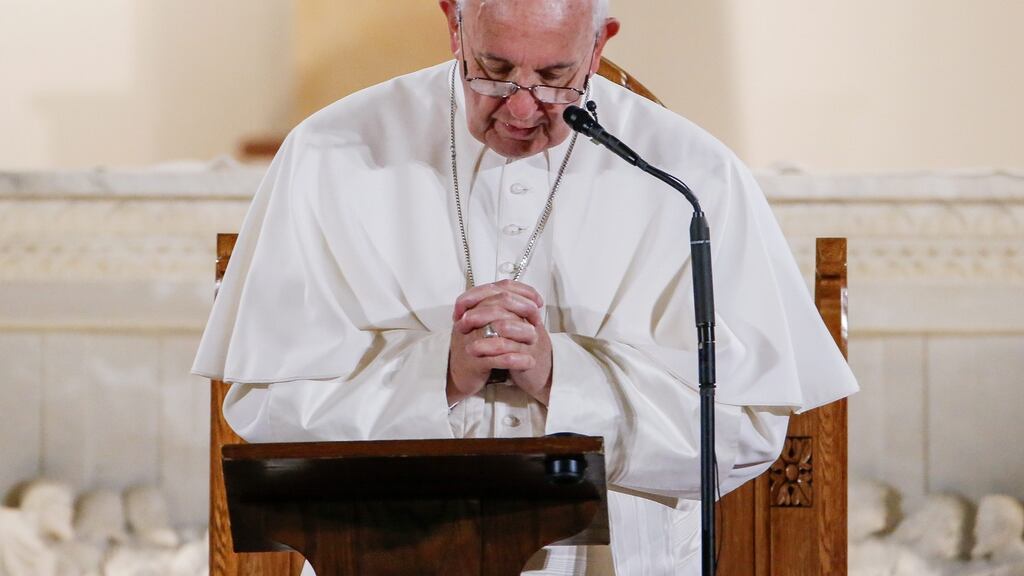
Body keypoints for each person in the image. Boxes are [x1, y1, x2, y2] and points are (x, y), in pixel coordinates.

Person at [192, 0, 858, 573]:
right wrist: (439, 377)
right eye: (494, 69)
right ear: (454, 23)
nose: (520, 105)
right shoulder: (330, 153)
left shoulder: (689, 176)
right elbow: (261, 410)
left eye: (554, 77)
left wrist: (562, 379)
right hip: (386, 554)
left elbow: (743, 435)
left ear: (600, 43)